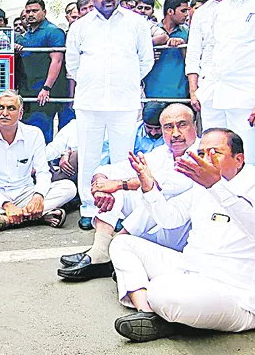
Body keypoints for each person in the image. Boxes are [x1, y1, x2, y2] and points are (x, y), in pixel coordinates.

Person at [111, 128, 255, 342]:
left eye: (215, 152)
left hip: (239, 295)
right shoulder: (202, 185)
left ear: (239, 159)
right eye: (201, 153)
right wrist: (149, 187)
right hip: (192, 270)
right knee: (122, 244)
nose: (206, 159)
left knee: (162, 291)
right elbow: (169, 219)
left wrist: (217, 187)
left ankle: (162, 308)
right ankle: (148, 314)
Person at [58, 103, 198, 281]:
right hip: (155, 225)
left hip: (178, 231)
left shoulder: (201, 153)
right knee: (119, 191)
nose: (176, 133)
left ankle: (110, 250)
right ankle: (100, 251)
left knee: (153, 195)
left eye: (182, 125)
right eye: (169, 127)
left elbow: (166, 183)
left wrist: (117, 184)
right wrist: (101, 184)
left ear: (195, 126)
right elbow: (117, 168)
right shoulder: (163, 152)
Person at [65, 0, 154, 230]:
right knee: (89, 156)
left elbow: (145, 61)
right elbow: (72, 65)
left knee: (122, 158)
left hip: (124, 103)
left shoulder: (136, 23)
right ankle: (88, 207)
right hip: (89, 102)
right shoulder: (80, 26)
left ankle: (120, 210)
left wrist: (125, 81)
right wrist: (92, 82)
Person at [198, 0, 255, 168]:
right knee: (210, 162)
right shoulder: (223, 6)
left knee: (245, 163)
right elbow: (212, 49)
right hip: (215, 95)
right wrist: (204, 88)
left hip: (249, 99)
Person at [0, 90, 77, 234]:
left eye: (11, 108)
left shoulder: (34, 134)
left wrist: (38, 196)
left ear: (20, 114)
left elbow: (43, 173)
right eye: (0, 107)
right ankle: (37, 216)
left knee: (68, 188)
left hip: (26, 193)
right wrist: (6, 205)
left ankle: (6, 220)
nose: (4, 113)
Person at [13, 0, 68, 143]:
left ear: (44, 12)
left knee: (42, 134)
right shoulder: (26, 35)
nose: (31, 14)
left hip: (43, 93)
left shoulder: (54, 32)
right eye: (28, 11)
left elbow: (57, 60)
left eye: (35, 11)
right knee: (25, 133)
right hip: (26, 92)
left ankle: (44, 165)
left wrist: (46, 87)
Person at [185, 0, 230, 113]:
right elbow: (193, 54)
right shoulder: (201, 13)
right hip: (208, 86)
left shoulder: (243, 6)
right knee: (210, 135)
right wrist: (193, 91)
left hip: (237, 88)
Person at [143, 0, 190, 99]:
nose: (186, 14)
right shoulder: (149, 31)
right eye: (183, 11)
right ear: (170, 11)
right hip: (151, 96)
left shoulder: (188, 33)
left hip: (179, 96)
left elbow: (192, 61)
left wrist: (182, 45)